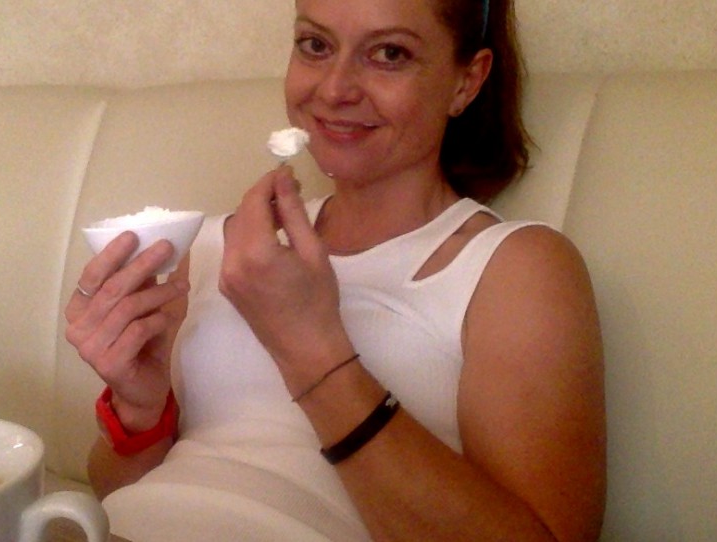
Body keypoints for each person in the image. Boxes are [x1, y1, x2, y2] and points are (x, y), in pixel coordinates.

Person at [65, 0, 606, 540]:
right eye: (316, 45)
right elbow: (117, 495)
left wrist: (309, 349)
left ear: (466, 81)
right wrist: (140, 409)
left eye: (389, 54)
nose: (333, 89)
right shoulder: (216, 246)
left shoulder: (513, 269)